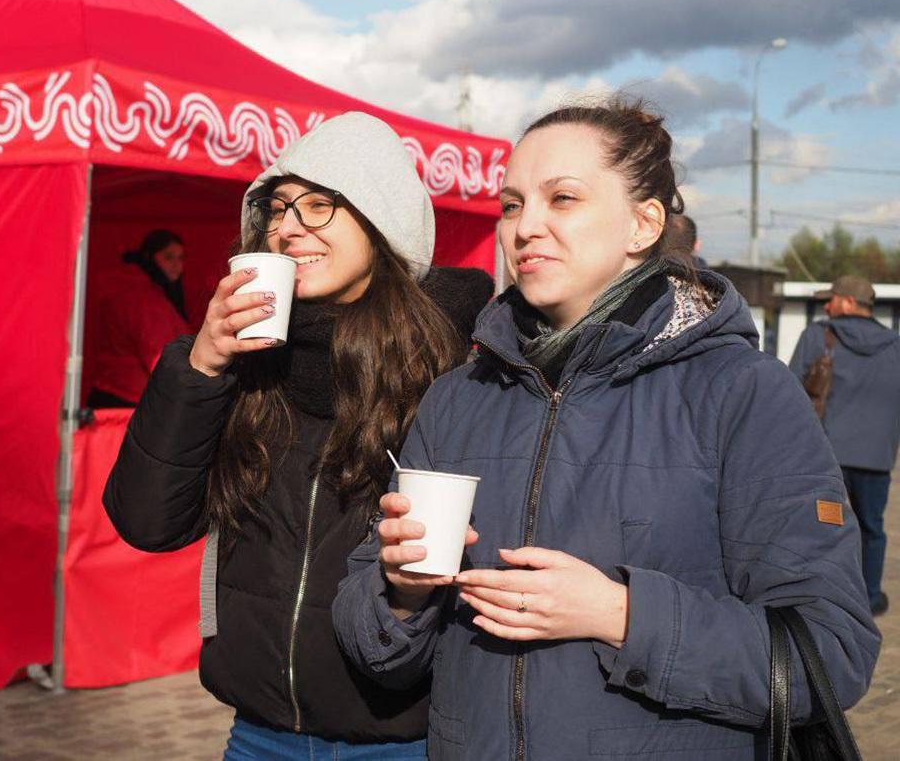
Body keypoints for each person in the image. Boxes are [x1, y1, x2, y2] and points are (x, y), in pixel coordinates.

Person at [333, 98, 879, 760]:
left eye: (562, 198)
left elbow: (831, 653)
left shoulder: (744, 392)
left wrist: (619, 614)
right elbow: (376, 652)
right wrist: (402, 592)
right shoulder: (458, 397)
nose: (525, 227)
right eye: (511, 205)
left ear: (643, 223)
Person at [103, 112, 494, 758]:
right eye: (278, 209)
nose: (287, 228)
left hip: (404, 736)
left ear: (382, 223)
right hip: (259, 734)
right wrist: (200, 365)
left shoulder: (453, 367)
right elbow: (148, 522)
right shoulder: (249, 365)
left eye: (318, 205)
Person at [790, 274, 900, 616]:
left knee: (823, 526)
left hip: (826, 458)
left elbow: (789, 391)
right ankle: (867, 598)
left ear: (849, 303)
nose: (827, 304)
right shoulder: (896, 345)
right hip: (876, 459)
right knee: (871, 528)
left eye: (832, 298)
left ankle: (821, 596)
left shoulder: (817, 335)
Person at [86, 229, 192, 408]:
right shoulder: (143, 295)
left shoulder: (136, 287)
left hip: (114, 391)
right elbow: (159, 356)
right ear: (150, 257)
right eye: (168, 257)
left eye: (181, 258)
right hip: (129, 400)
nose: (177, 265)